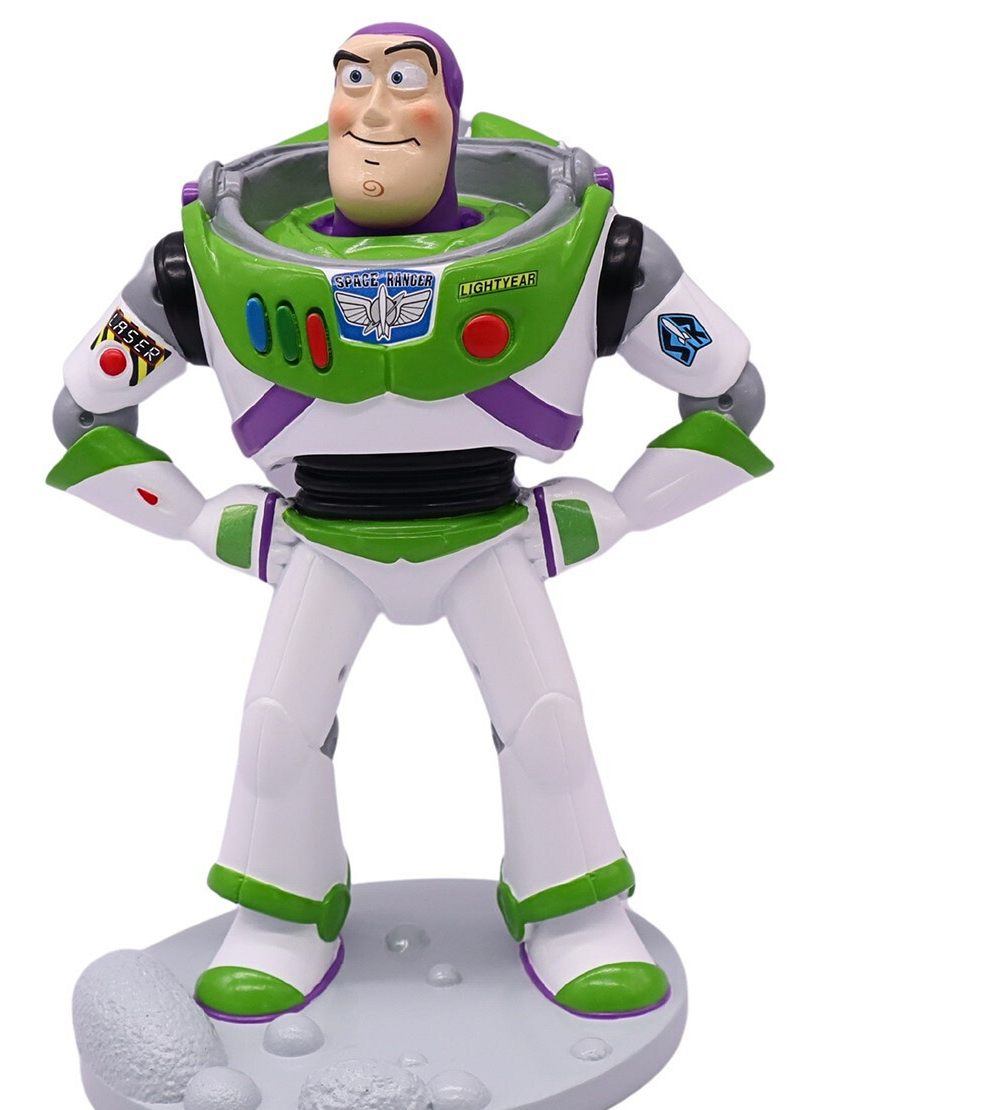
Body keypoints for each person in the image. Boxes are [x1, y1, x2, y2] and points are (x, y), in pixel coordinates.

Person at [48, 22, 771, 1023]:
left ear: (452, 114)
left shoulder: (594, 256)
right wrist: (202, 522)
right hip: (320, 540)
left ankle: (571, 911)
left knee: (546, 728)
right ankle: (283, 917)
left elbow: (728, 394)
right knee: (275, 736)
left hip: (492, 535)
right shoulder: (199, 267)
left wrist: (615, 511)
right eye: (354, 80)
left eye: (402, 79)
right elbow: (86, 414)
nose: (376, 108)